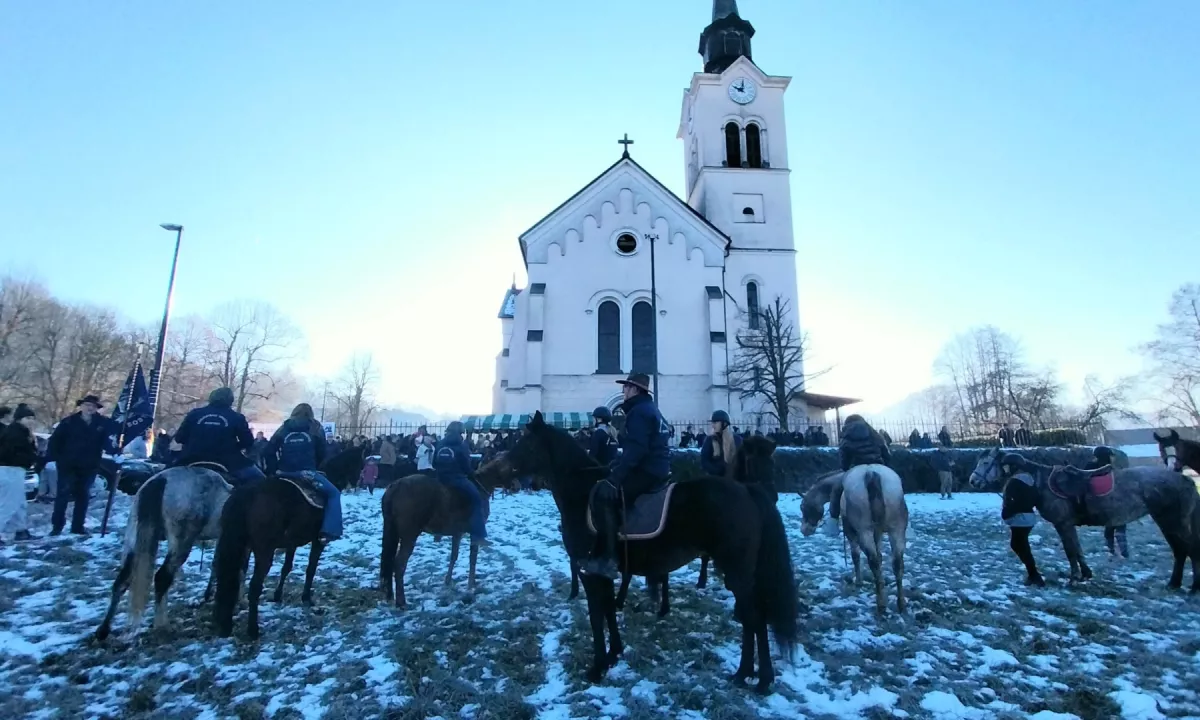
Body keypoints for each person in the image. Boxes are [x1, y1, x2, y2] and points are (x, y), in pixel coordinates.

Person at [585, 373, 670, 579]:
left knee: (607, 495)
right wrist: (617, 464)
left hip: (648, 470)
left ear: (635, 390)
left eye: (626, 387)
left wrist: (615, 478)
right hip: (659, 467)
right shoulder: (651, 409)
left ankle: (609, 558)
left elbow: (637, 450)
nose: (623, 391)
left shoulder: (638, 412)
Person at [264, 403, 341, 543]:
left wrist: (274, 469)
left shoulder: (283, 428)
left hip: (282, 473)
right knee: (334, 493)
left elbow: (269, 451)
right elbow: (322, 452)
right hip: (306, 474)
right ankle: (328, 531)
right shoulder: (315, 428)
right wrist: (313, 466)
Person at [46, 395, 118, 536]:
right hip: (68, 464)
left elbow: (109, 441)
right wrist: (51, 458)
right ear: (81, 406)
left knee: (83, 496)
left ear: (97, 408)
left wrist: (115, 452)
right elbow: (55, 441)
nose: (90, 408)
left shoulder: (103, 423)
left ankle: (78, 526)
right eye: (87, 405)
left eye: (93, 406)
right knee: (63, 495)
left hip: (89, 465)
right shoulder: (68, 422)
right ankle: (57, 526)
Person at [173, 387, 264, 485]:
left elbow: (179, 438)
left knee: (160, 475)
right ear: (230, 400)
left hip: (190, 458)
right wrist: (234, 447)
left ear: (211, 398)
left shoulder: (194, 414)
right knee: (261, 481)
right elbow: (248, 441)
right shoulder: (237, 417)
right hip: (228, 461)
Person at [829, 414, 891, 526]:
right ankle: (905, 522)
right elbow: (886, 454)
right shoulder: (876, 435)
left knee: (837, 489)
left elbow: (844, 460)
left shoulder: (846, 437)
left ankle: (833, 521)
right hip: (878, 465)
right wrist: (885, 467)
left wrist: (846, 469)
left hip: (857, 467)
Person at [434, 421, 488, 546]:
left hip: (439, 479)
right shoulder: (461, 445)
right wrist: (472, 474)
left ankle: (438, 531)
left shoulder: (440, 443)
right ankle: (478, 535)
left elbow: (434, 463)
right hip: (457, 479)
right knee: (476, 499)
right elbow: (466, 466)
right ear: (461, 432)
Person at [998, 452, 1045, 586]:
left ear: (1013, 466)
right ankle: (1033, 574)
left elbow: (1011, 501)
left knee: (1018, 545)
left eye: (1007, 466)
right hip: (1029, 517)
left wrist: (1006, 513)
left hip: (1019, 518)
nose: (1004, 469)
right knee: (1021, 545)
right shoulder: (1029, 479)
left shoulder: (1014, 482)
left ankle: (1034, 575)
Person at [0, 404, 39, 542]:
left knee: (20, 503)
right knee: (9, 503)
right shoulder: (15, 433)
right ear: (19, 419)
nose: (30, 421)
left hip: (14, 470)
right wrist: (32, 457)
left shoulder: (19, 431)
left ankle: (20, 530)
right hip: (10, 470)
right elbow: (13, 453)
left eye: (32, 418)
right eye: (27, 418)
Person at [1087, 446, 1128, 559]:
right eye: (1110, 456)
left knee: (1110, 527)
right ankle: (1122, 552)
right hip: (1112, 502)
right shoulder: (1111, 469)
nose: (1112, 458)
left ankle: (1112, 550)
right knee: (1119, 526)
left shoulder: (1090, 468)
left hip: (1101, 503)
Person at [700, 410, 741, 478]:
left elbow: (741, 458)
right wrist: (716, 471)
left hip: (734, 479)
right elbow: (704, 461)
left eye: (715, 422)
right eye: (712, 423)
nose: (713, 425)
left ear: (724, 423)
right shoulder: (710, 439)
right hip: (716, 480)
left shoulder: (736, 439)